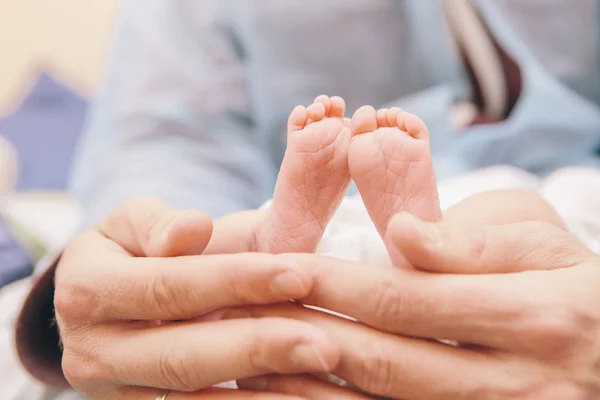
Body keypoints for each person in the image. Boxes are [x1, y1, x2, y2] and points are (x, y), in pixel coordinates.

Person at [13, 0, 600, 399]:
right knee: (219, 251)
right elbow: (164, 146)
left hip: (558, 267)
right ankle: (399, 237)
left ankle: (308, 240)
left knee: (514, 219)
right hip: (358, 264)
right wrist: (140, 270)